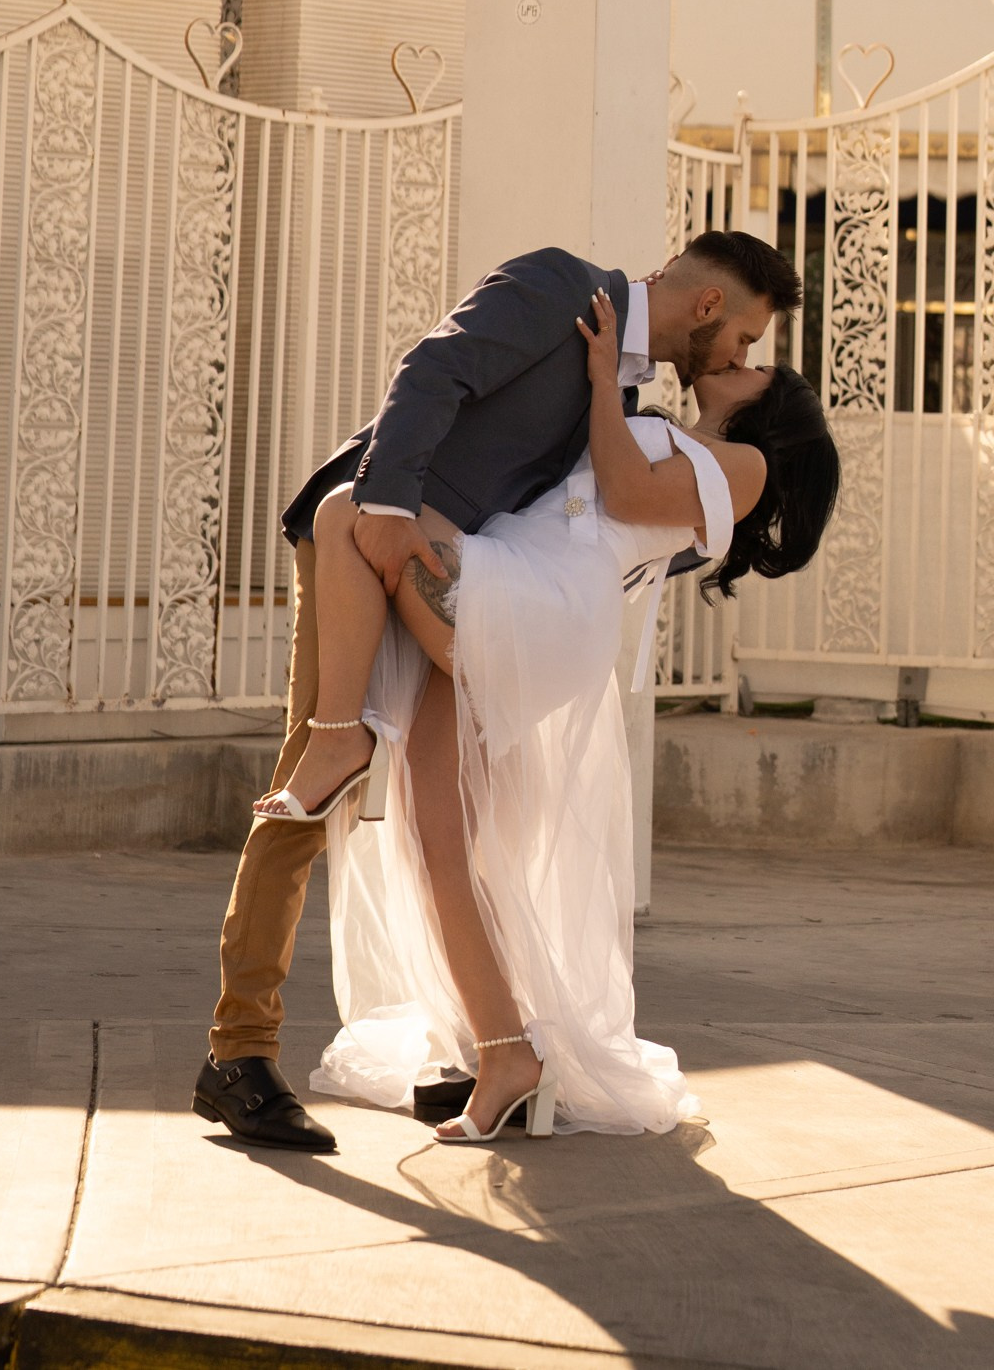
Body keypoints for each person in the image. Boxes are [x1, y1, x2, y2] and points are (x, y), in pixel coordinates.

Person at [194, 226, 798, 1152]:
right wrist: (389, 511)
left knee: (464, 824)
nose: (739, 357)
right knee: (316, 769)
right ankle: (240, 1052)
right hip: (375, 540)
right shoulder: (562, 288)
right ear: (711, 306)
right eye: (746, 340)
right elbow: (432, 373)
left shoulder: (625, 391)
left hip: (464, 585)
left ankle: (482, 1042)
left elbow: (605, 522)